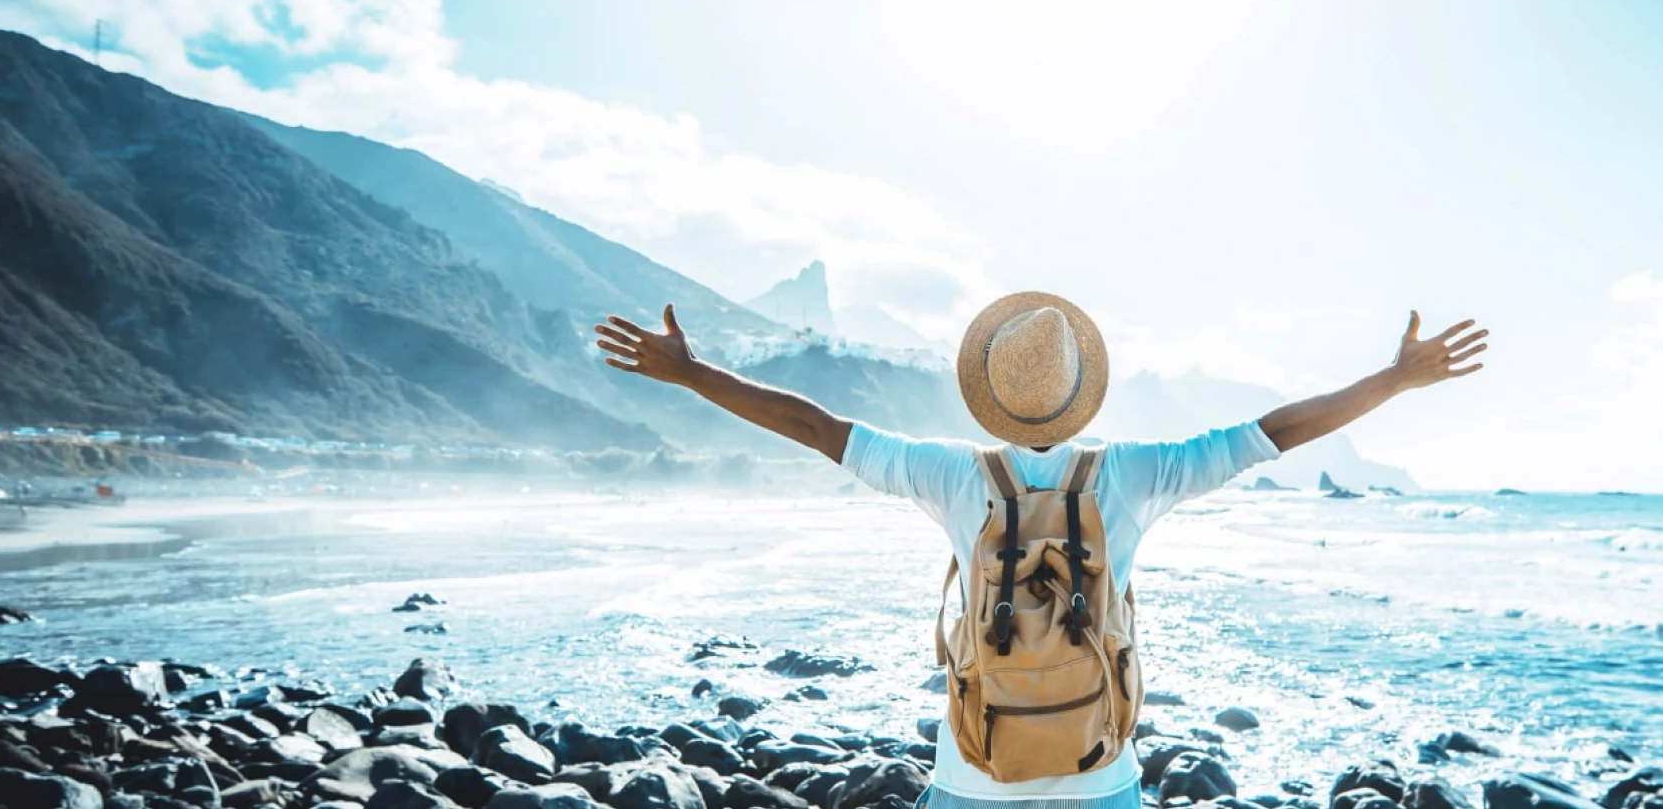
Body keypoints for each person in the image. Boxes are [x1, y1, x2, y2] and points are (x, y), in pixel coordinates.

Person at [594, 291, 1489, 808]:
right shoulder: (1139, 474)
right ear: (1080, 396)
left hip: (972, 773)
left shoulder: (951, 475)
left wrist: (691, 372)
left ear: (990, 393)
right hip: (1101, 776)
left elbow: (816, 427)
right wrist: (1397, 379)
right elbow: (1275, 432)